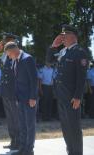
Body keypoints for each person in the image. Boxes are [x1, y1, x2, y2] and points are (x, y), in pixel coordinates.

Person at [46, 24, 88, 155]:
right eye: (62, 36)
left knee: (74, 128)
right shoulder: (63, 52)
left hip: (71, 97)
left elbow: (81, 78)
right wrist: (53, 46)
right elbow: (49, 60)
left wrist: (77, 97)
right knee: (65, 127)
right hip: (61, 95)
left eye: (65, 35)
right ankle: (71, 151)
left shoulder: (79, 52)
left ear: (73, 36)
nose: (62, 38)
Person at [4, 42, 38, 155]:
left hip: (29, 98)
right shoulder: (15, 60)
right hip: (20, 98)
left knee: (30, 125)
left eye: (9, 54)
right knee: (22, 125)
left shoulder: (27, 59)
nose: (8, 57)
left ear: (14, 50)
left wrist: (33, 97)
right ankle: (22, 148)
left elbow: (34, 79)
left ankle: (29, 150)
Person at [0, 32, 20, 150]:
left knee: (16, 118)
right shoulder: (4, 56)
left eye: (7, 41)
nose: (4, 44)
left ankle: (19, 141)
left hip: (14, 92)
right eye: (4, 42)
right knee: (10, 118)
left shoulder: (17, 56)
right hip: (5, 91)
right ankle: (13, 140)